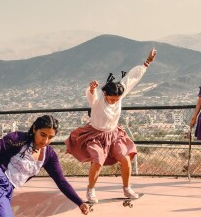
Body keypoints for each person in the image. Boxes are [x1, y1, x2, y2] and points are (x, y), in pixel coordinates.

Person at [66, 47, 156, 204]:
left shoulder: (119, 94)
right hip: (95, 135)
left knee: (125, 159)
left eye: (117, 99)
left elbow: (131, 78)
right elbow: (91, 95)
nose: (114, 101)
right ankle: (91, 190)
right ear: (105, 94)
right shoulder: (98, 101)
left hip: (114, 135)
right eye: (112, 99)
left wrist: (147, 62)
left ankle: (127, 188)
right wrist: (92, 89)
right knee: (97, 160)